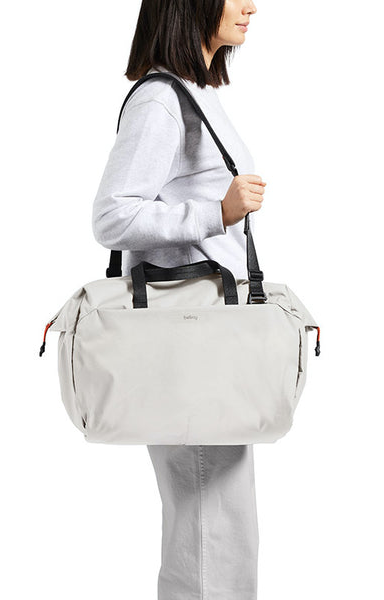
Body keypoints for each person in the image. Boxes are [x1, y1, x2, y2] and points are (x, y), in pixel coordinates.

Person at [92, 1, 264, 598]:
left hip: (208, 335)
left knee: (221, 522)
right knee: (210, 525)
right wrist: (217, 212)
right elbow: (114, 217)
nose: (250, 5)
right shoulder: (161, 101)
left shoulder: (194, 93)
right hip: (187, 341)